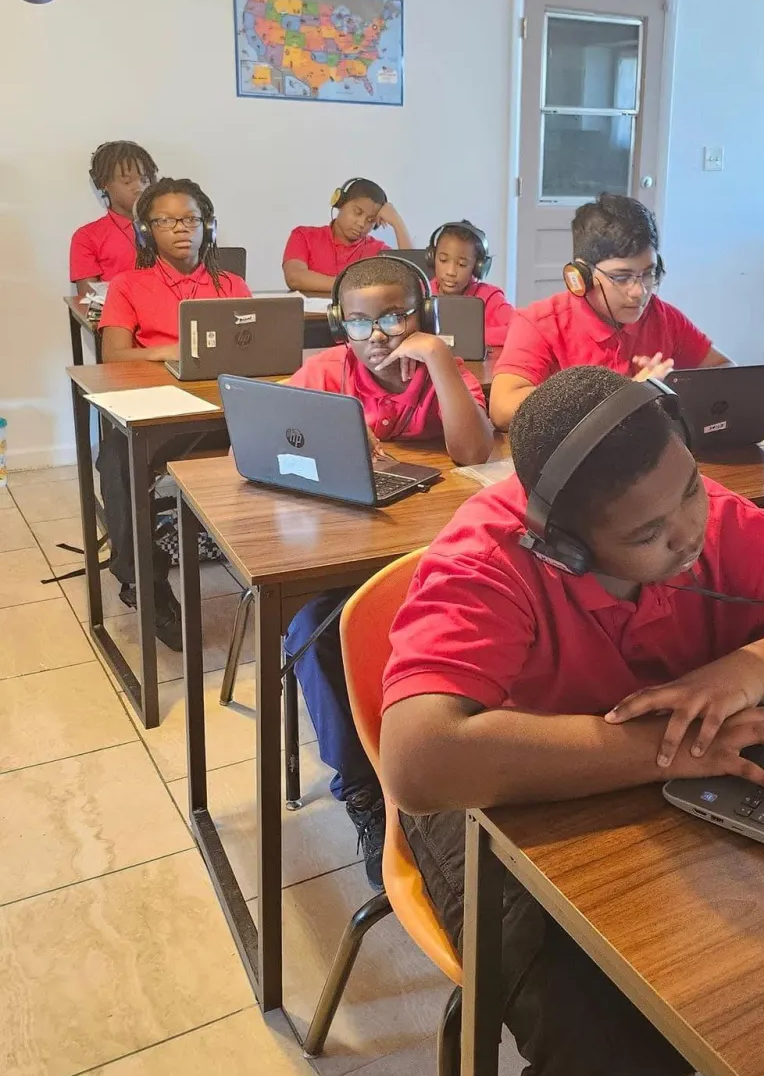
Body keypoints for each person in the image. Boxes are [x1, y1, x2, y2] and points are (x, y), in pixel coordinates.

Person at [379, 366, 764, 1076]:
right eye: (648, 532)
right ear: (561, 541)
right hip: (507, 811)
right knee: (619, 1040)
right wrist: (665, 753)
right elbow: (421, 764)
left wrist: (745, 671)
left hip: (662, 803)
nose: (687, 533)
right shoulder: (487, 557)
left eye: (690, 489)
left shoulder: (709, 521)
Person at [283, 254, 493, 887]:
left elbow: (473, 450)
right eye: (357, 323)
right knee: (317, 627)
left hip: (432, 547)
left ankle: (453, 768)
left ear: (423, 314)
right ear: (337, 325)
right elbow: (259, 445)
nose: (376, 336)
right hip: (340, 546)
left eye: (395, 317)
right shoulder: (324, 371)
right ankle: (366, 796)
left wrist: (438, 362)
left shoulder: (442, 368)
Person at [96, 178, 252, 647]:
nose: (180, 230)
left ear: (208, 227)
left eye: (190, 219)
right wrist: (175, 351)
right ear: (147, 232)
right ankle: (143, 580)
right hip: (158, 412)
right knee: (117, 460)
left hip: (223, 410)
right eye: (165, 221)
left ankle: (273, 565)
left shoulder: (231, 285)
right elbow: (113, 356)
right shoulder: (128, 285)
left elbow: (254, 348)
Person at [489, 193, 727, 430]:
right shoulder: (539, 323)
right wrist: (623, 396)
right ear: (579, 277)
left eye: (648, 273)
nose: (639, 291)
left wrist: (677, 386)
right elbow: (502, 409)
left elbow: (726, 372)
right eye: (621, 277)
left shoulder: (663, 317)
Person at [282, 177, 414, 295]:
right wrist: (351, 285)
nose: (362, 223)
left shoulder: (378, 251)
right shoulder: (304, 236)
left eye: (370, 220)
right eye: (357, 212)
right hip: (310, 321)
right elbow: (294, 277)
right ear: (340, 204)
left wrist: (397, 223)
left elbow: (412, 282)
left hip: (359, 322)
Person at [70, 141, 158, 294]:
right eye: (127, 181)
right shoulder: (87, 237)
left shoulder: (167, 226)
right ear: (104, 184)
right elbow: (88, 300)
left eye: (144, 180)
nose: (139, 188)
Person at [426, 219, 514, 347]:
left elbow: (518, 329)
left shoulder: (490, 297)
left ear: (478, 267)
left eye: (462, 264)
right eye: (443, 260)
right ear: (432, 257)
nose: (451, 272)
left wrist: (471, 338)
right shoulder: (421, 292)